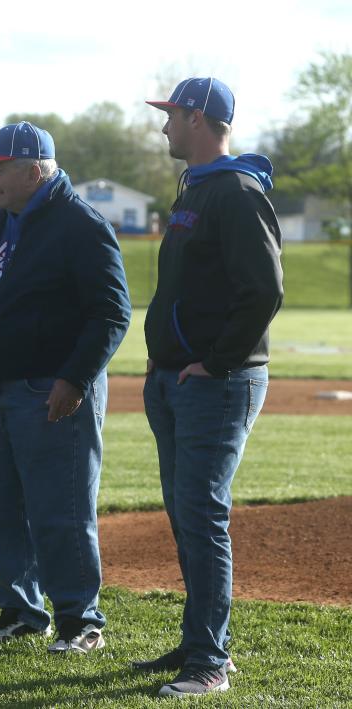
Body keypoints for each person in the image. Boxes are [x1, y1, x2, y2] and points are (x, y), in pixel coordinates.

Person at [0, 122, 131, 654]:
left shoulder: (78, 224)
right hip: (3, 384)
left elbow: (113, 312)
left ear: (35, 170)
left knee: (60, 508)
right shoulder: (14, 221)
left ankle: (79, 620)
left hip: (52, 387)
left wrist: (75, 378)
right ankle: (23, 610)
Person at [137, 77, 283, 698]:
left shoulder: (237, 191)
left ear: (197, 118)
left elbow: (265, 290)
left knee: (202, 515)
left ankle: (210, 662)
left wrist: (218, 362)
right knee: (186, 513)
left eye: (171, 114)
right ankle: (199, 639)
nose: (164, 125)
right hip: (176, 379)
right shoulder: (196, 188)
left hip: (216, 383)